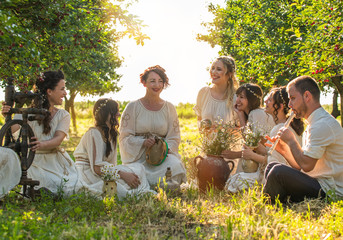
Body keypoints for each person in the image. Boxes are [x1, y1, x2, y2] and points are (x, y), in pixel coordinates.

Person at [263, 76, 343, 203]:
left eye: (293, 98)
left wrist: (291, 141)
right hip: (317, 183)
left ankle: (269, 207)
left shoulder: (322, 125)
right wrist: (284, 150)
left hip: (330, 192)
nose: (289, 105)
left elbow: (307, 166)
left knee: (277, 172)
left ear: (307, 96)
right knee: (272, 166)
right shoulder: (314, 123)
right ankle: (278, 204)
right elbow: (301, 166)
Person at [2, 70, 81, 196]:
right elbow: (8, 130)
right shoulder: (27, 113)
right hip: (32, 162)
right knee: (42, 181)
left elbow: (58, 139)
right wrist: (8, 115)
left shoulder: (63, 115)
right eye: (62, 89)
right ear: (49, 91)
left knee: (65, 187)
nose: (65, 93)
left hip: (55, 163)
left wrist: (41, 145)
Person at [224, 86, 304, 192]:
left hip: (282, 177)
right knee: (236, 179)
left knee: (235, 181)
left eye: (270, 99)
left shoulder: (279, 130)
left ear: (280, 106)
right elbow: (270, 153)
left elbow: (275, 163)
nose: (265, 100)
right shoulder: (284, 127)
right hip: (289, 176)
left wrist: (252, 155)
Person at [119, 65, 187, 187]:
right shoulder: (132, 107)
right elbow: (124, 137)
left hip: (161, 156)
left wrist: (163, 149)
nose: (157, 85)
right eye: (152, 81)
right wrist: (143, 143)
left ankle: (159, 183)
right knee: (137, 172)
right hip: (139, 158)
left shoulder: (170, 108)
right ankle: (155, 183)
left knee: (175, 164)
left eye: (160, 81)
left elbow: (174, 137)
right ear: (144, 83)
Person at [74, 98, 154, 199]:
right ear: (106, 113)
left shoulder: (112, 134)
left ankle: (134, 189)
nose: (118, 114)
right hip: (88, 173)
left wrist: (122, 175)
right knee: (118, 187)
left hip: (105, 172)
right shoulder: (94, 133)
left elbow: (112, 165)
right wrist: (123, 175)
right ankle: (134, 192)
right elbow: (97, 168)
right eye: (115, 111)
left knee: (139, 168)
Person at [194, 56, 239, 126]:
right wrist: (203, 126)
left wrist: (219, 130)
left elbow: (240, 128)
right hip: (206, 137)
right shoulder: (203, 93)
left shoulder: (236, 98)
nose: (213, 72)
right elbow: (199, 120)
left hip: (230, 137)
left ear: (229, 74)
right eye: (212, 68)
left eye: (219, 69)